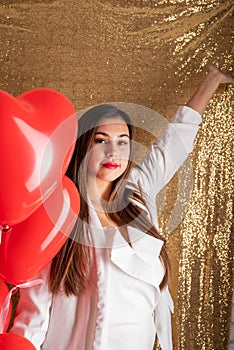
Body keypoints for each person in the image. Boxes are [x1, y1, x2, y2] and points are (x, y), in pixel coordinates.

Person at [9, 65, 234, 350]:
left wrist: (212, 80)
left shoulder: (138, 192)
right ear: (82, 146)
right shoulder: (60, 210)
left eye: (122, 142)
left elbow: (175, 142)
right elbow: (35, 308)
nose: (113, 153)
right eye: (101, 141)